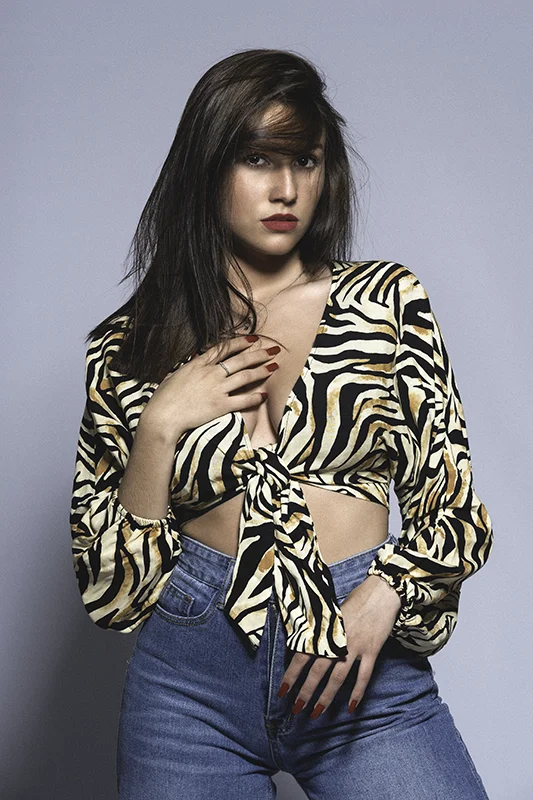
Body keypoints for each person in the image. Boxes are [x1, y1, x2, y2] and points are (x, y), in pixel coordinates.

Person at [70, 48, 494, 799]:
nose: (287, 187)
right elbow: (114, 593)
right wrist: (161, 423)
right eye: (257, 157)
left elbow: (453, 507)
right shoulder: (127, 344)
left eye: (306, 159)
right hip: (188, 687)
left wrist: (383, 593)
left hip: (365, 668)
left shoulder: (384, 303)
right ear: (207, 169)